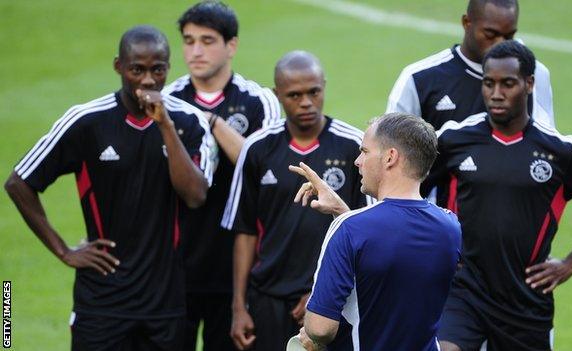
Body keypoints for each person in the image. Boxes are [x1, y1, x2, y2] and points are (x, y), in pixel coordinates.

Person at [4, 25, 217, 350]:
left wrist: (165, 125)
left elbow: (196, 195)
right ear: (119, 67)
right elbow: (19, 182)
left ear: (168, 69)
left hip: (165, 302)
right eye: (137, 70)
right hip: (101, 304)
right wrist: (63, 251)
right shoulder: (87, 121)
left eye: (157, 70)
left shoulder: (189, 122)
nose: (148, 80)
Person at [426, 40, 572, 351]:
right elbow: (407, 186)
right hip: (464, 290)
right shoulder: (453, 139)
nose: (496, 94)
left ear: (529, 84)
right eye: (488, 83)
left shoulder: (562, 151)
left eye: (508, 84)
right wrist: (436, 247)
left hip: (526, 300)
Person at [221, 50, 371, 351]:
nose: (305, 102)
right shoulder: (257, 148)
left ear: (324, 86)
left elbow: (364, 231)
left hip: (333, 299)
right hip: (268, 298)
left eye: (314, 92)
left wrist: (323, 294)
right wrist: (238, 307)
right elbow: (245, 232)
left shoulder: (354, 146)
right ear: (277, 94)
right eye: (294, 95)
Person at [162, 2, 281, 350]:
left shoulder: (259, 101)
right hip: (175, 267)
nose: (195, 51)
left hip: (238, 269)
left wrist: (210, 121)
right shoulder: (168, 100)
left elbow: (266, 171)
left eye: (207, 40)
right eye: (188, 40)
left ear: (231, 46)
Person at [291, 113, 462, 350]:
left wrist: (310, 332)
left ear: (390, 157)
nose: (358, 161)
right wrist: (342, 210)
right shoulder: (450, 226)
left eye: (365, 151)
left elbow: (321, 328)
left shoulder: (350, 229)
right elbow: (393, 253)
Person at [386, 0, 554, 131]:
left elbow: (546, 142)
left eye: (508, 36)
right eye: (491, 34)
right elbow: (391, 151)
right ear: (467, 23)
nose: (500, 44)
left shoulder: (532, 72)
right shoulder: (419, 78)